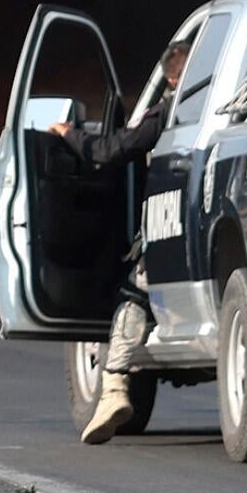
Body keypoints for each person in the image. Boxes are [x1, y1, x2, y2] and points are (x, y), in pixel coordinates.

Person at [52, 39, 191, 445]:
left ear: (169, 78)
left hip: (173, 229)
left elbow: (115, 149)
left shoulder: (168, 112)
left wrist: (70, 136)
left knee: (133, 293)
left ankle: (113, 387)